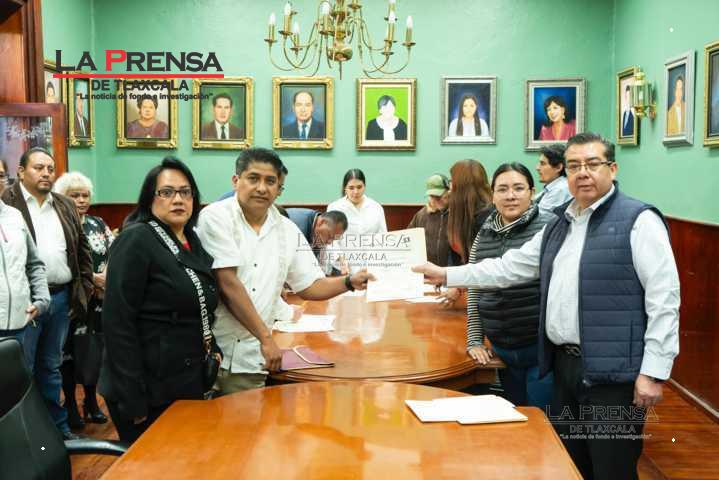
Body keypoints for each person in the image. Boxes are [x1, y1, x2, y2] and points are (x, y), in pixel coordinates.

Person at [414, 132, 680, 480]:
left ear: (612, 169)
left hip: (614, 374)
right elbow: (510, 267)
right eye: (574, 166)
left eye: (592, 164)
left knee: (611, 466)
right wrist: (447, 274)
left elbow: (664, 299)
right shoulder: (560, 223)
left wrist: (654, 371)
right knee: (569, 462)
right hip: (564, 367)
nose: (583, 173)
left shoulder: (639, 220)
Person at [196, 148, 374, 394]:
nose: (262, 188)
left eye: (270, 181)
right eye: (253, 178)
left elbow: (311, 285)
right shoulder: (215, 217)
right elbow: (228, 284)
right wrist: (266, 338)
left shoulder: (287, 229)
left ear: (279, 188)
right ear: (236, 181)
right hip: (214, 350)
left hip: (254, 359)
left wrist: (349, 281)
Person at [99, 157, 221, 444]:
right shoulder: (136, 239)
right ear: (149, 199)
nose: (178, 199)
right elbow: (117, 323)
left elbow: (197, 302)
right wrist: (132, 397)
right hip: (145, 387)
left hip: (183, 380)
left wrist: (212, 348)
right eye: (166, 192)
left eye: (185, 192)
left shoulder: (190, 238)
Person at [2, 147, 94, 441]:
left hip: (61, 299)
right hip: (24, 304)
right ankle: (29, 437)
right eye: (38, 167)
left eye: (50, 169)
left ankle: (58, 430)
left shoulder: (64, 204)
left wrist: (83, 289)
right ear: (20, 172)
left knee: (51, 366)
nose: (46, 173)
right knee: (23, 371)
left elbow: (82, 250)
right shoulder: (8, 204)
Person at [466, 163, 555, 408]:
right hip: (502, 350)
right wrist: (475, 340)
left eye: (518, 188)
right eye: (502, 189)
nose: (511, 196)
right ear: (492, 195)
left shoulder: (550, 226)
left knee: (541, 418)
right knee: (513, 414)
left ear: (532, 192)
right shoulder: (485, 231)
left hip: (541, 350)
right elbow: (475, 286)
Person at [53, 172, 113, 428]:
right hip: (74, 300)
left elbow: (114, 250)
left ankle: (91, 402)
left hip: (99, 300)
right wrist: (93, 279)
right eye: (74, 195)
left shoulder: (98, 223)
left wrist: (105, 278)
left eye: (85, 195)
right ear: (63, 197)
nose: (81, 200)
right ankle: (70, 406)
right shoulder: (58, 223)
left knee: (93, 352)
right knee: (69, 355)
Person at [0, 158, 50, 338]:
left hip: (19, 323)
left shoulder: (15, 216)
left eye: (0, 175)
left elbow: (34, 263)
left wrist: (42, 299)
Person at [441, 159, 493, 307]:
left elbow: (485, 263)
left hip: (486, 296)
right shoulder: (456, 212)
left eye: (452, 181)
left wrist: (458, 286)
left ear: (461, 185)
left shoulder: (488, 217)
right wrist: (448, 279)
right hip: (469, 291)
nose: (449, 187)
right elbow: (455, 255)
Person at [327, 169, 387, 236]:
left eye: (359, 187)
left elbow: (383, 236)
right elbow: (330, 238)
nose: (356, 192)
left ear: (364, 186)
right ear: (345, 188)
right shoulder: (334, 208)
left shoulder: (376, 207)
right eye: (351, 188)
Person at [407, 173, 450, 266]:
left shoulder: (458, 214)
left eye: (438, 197)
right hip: (427, 270)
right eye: (431, 196)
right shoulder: (421, 215)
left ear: (448, 192)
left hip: (451, 271)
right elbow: (409, 238)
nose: (434, 200)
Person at [535, 144, 572, 215]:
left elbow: (539, 217)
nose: (537, 168)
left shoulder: (560, 189)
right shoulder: (551, 187)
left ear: (558, 167)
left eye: (542, 164)